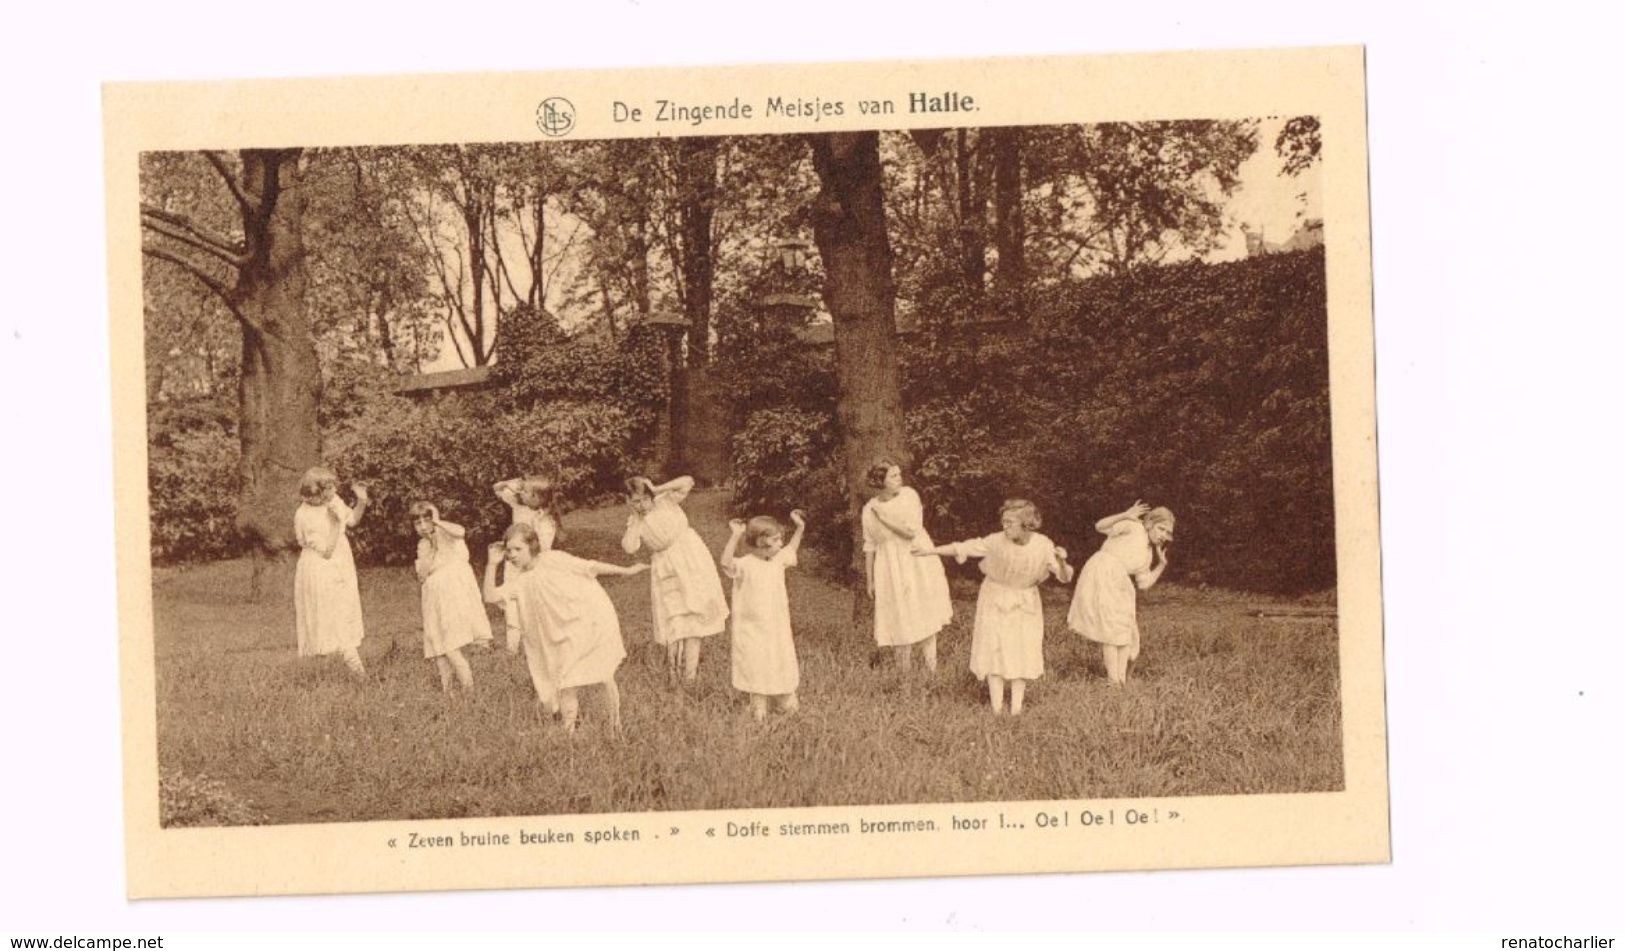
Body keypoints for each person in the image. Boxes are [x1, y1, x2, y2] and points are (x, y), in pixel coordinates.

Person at [482, 523, 647, 733]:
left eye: (518, 549)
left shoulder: (553, 559)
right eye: (509, 550)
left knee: (603, 674)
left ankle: (616, 725)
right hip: (557, 637)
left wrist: (627, 571)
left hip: (584, 624)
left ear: (532, 546)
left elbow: (590, 566)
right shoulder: (520, 581)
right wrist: (491, 564)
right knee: (566, 683)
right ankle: (569, 735)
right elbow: (490, 596)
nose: (512, 555)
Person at [916, 499, 1072, 715]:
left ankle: (1016, 709)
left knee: (1022, 650)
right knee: (994, 649)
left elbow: (1064, 577)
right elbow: (963, 547)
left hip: (1026, 602)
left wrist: (1062, 561)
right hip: (995, 598)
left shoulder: (1043, 544)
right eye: (1003, 522)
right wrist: (930, 551)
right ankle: (996, 709)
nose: (1005, 527)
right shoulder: (996, 541)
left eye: (1010, 522)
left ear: (1026, 524)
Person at [621, 475, 729, 685]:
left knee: (694, 614)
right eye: (635, 501)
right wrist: (637, 520)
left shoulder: (665, 502)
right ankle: (673, 672)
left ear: (652, 496)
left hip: (690, 558)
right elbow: (629, 547)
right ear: (628, 502)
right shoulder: (635, 521)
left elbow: (688, 481)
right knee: (673, 617)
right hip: (665, 566)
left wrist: (658, 487)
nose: (642, 505)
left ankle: (690, 675)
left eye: (645, 499)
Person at [1067, 501, 1174, 686]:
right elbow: (1100, 526)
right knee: (1112, 627)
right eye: (1161, 528)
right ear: (1150, 524)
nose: (1163, 535)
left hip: (1121, 582)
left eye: (1167, 532)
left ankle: (1120, 681)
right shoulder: (1133, 527)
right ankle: (1113, 681)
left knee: (1125, 628)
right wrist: (1125, 514)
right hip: (1103, 572)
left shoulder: (1148, 554)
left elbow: (1144, 583)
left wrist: (1161, 565)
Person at [861, 460, 952, 673]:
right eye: (893, 476)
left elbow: (910, 532)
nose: (899, 478)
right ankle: (904, 674)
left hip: (916, 560)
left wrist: (884, 518)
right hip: (889, 567)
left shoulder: (909, 496)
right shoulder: (868, 509)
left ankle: (932, 669)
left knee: (923, 610)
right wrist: (870, 580)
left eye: (899, 474)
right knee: (898, 614)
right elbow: (870, 545)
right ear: (879, 482)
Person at [720, 510, 806, 721]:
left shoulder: (777, 560)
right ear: (761, 542)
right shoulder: (746, 564)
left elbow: (791, 549)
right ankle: (758, 707)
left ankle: (783, 698)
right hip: (752, 627)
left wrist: (801, 528)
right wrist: (735, 535)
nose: (780, 544)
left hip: (776, 626)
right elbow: (725, 563)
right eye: (776, 540)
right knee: (755, 662)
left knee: (779, 659)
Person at [293, 467, 370, 678]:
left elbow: (352, 520)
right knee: (329, 617)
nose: (332, 492)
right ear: (313, 493)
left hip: (340, 565)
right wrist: (335, 523)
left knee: (342, 614)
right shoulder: (304, 515)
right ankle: (358, 675)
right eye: (326, 490)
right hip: (319, 568)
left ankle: (332, 675)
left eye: (332, 488)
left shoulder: (332, 500)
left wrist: (361, 500)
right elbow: (326, 551)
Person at [410, 502, 491, 692]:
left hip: (453, 591)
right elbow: (422, 574)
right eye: (417, 523)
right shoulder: (423, 545)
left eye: (426, 520)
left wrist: (438, 523)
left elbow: (460, 532)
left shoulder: (447, 532)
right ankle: (447, 690)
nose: (423, 526)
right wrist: (433, 546)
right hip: (433, 594)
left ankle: (468, 688)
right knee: (437, 642)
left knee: (451, 643)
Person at [492, 474, 561, 652]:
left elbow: (544, 549)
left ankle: (542, 644)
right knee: (511, 604)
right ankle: (512, 648)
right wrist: (511, 483)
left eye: (525, 491)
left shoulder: (546, 520)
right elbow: (497, 488)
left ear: (537, 497)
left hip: (533, 569)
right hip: (514, 565)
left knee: (535, 606)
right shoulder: (518, 505)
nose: (521, 493)